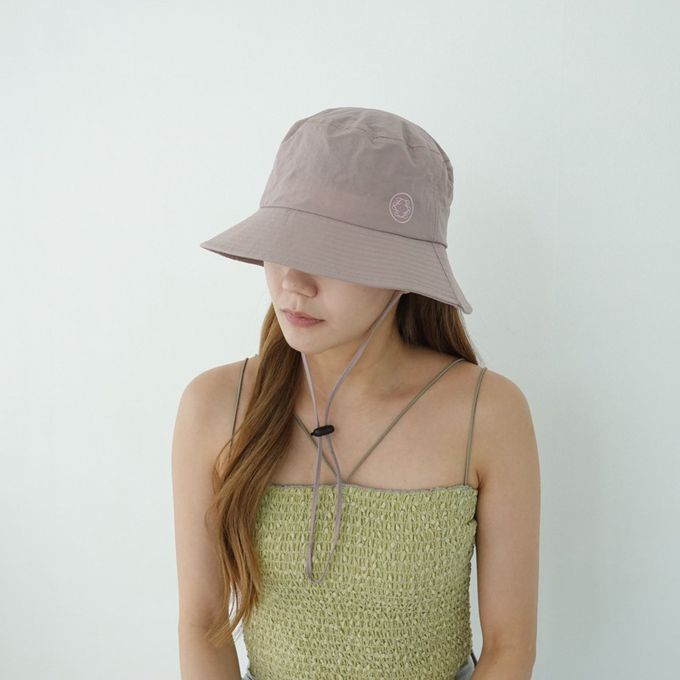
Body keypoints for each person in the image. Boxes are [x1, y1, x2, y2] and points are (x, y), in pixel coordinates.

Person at [172, 107, 540, 680]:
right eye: (283, 241)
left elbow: (511, 647)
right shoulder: (216, 406)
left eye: (331, 254)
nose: (293, 282)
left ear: (404, 271)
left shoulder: (486, 414)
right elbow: (201, 625)